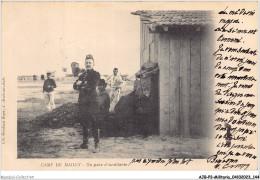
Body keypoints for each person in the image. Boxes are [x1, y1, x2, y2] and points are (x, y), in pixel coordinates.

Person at [73, 54, 100, 153]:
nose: (88, 64)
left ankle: (97, 144)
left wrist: (81, 84)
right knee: (84, 122)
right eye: (87, 63)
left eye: (90, 63)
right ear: (84, 64)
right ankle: (85, 143)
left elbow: (92, 85)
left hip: (92, 103)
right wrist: (79, 84)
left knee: (94, 122)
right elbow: (74, 86)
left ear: (93, 64)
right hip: (82, 102)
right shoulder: (82, 75)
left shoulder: (96, 74)